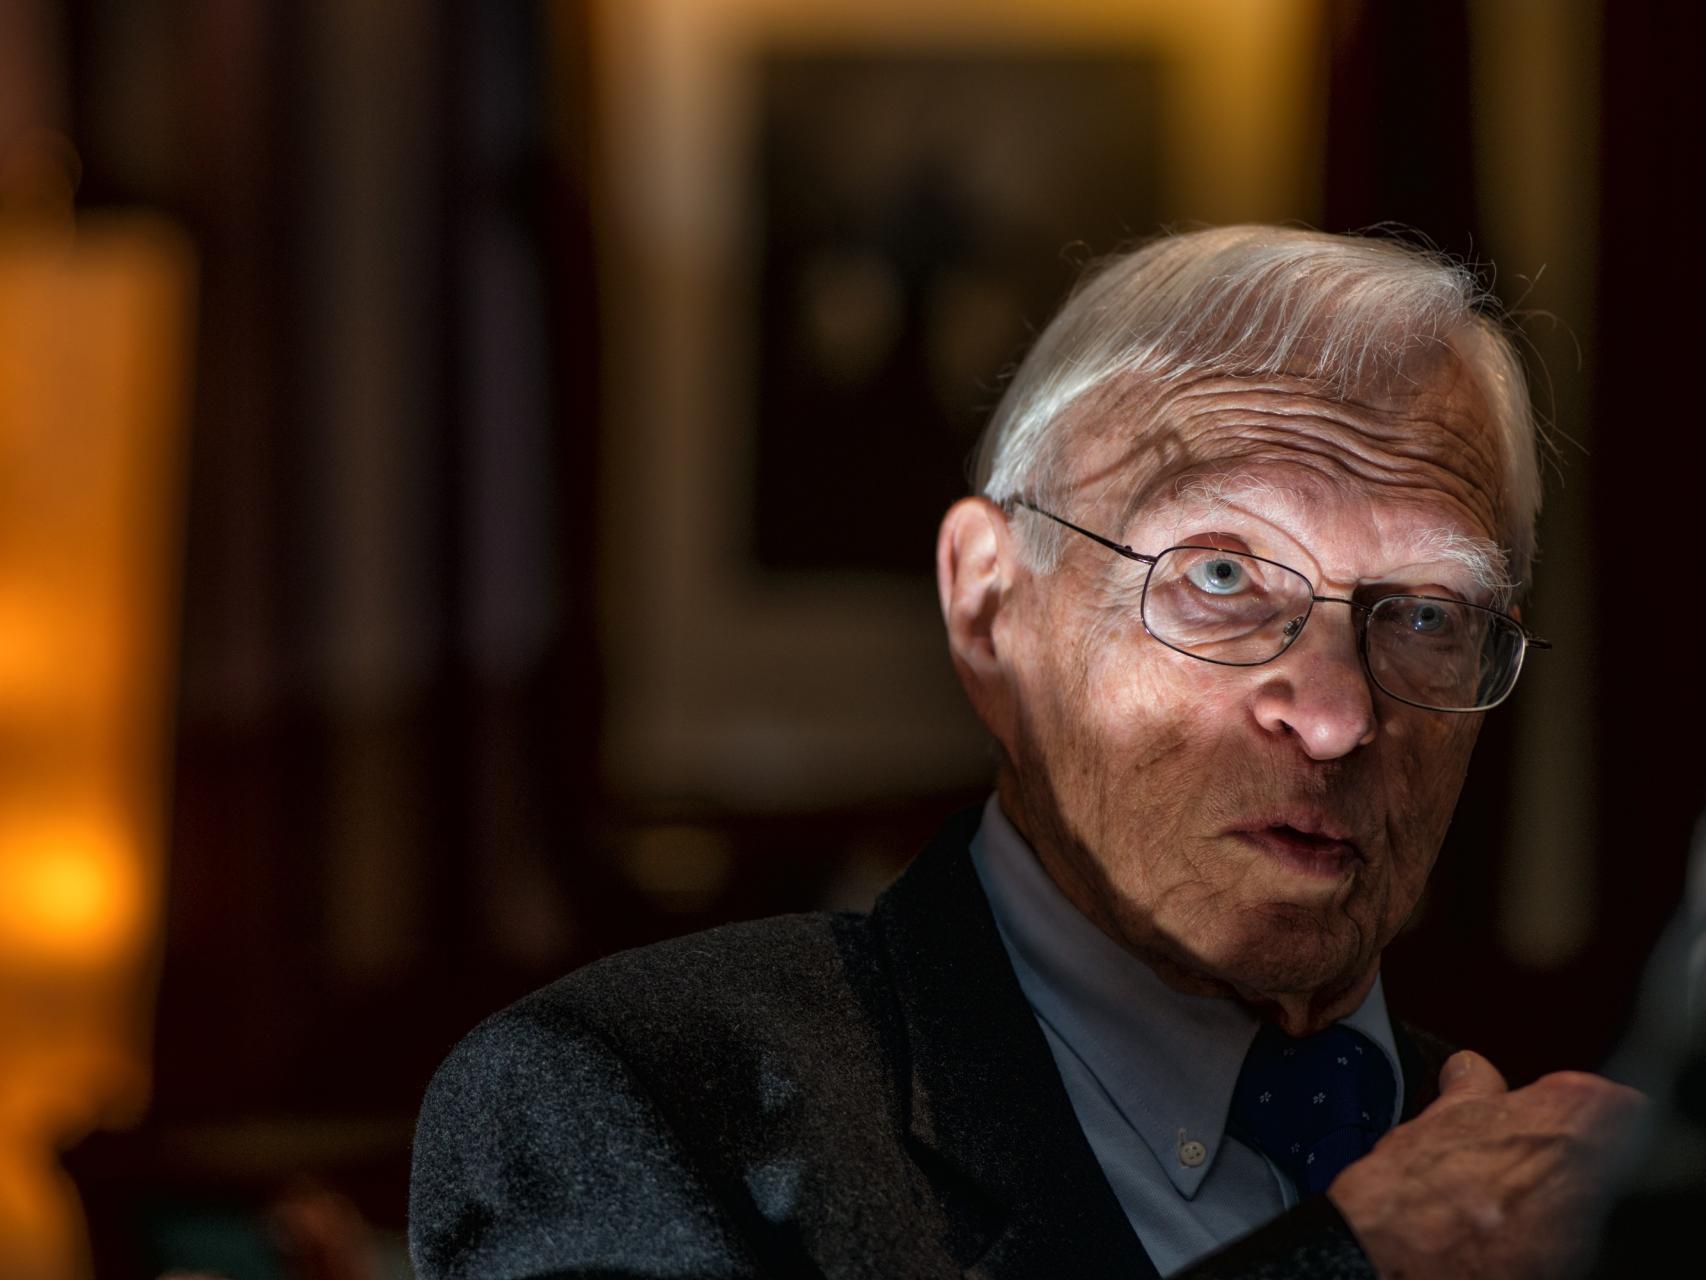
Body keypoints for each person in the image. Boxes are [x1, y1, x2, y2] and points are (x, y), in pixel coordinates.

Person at [408, 226, 1642, 1279]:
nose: (1331, 717)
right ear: (989, 605)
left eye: (1425, 613)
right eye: (1217, 574)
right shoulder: (639, 1100)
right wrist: (1355, 1259)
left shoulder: (1547, 1179)